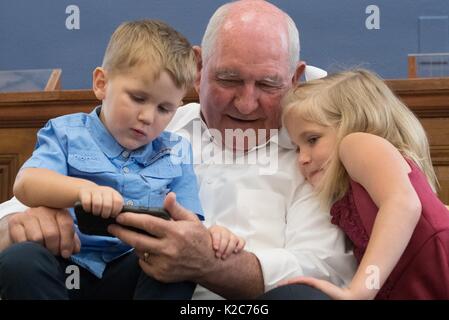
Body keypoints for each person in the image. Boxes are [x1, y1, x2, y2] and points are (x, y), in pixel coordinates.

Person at [0, 0, 356, 299]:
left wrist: (212, 265)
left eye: (267, 84)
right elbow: (14, 212)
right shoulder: (150, 125)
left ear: (294, 79)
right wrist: (24, 223)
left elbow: (323, 271)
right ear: (198, 69)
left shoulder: (312, 152)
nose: (247, 104)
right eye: (229, 80)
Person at [0, 19, 244, 299]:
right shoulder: (66, 132)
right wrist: (84, 190)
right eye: (138, 98)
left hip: (132, 269)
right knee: (21, 260)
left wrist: (213, 236)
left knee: (176, 268)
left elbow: (187, 226)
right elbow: (27, 183)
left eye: (164, 108)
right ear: (101, 83)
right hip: (68, 258)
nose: (148, 117)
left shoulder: (177, 151)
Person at [279, 69, 449, 299]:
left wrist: (358, 291)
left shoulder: (355, 143)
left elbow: (403, 205)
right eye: (298, 147)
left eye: (312, 140)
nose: (302, 158)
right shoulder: (351, 189)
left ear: (352, 122)